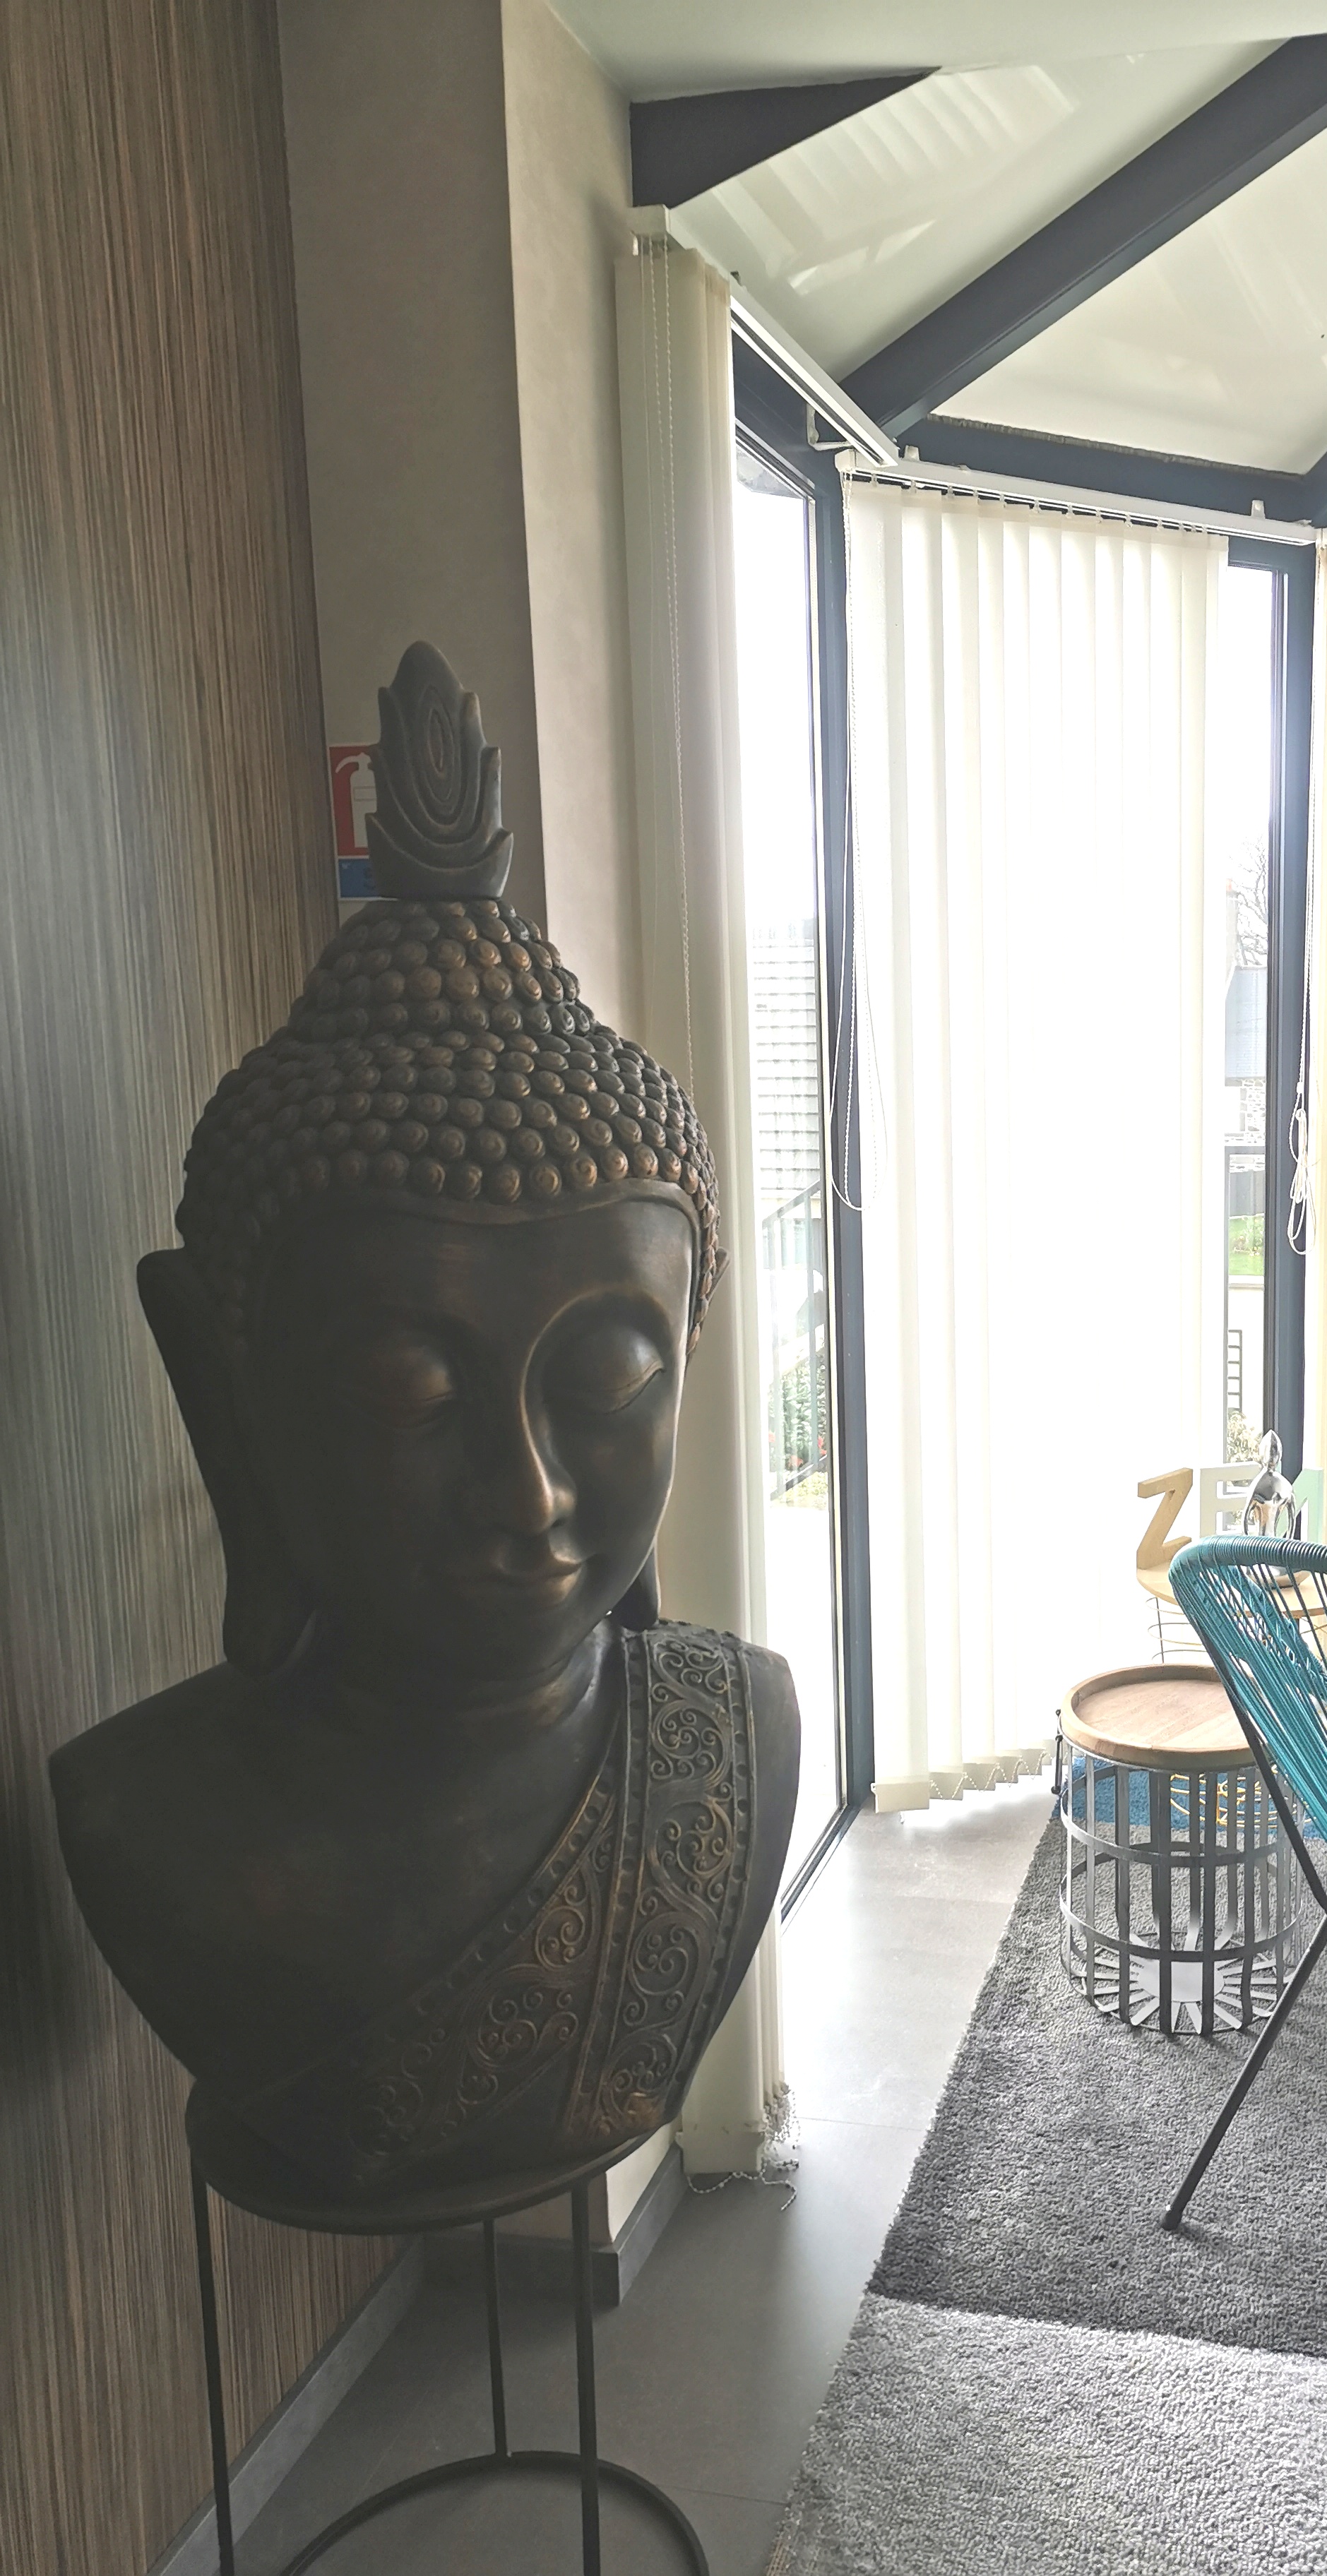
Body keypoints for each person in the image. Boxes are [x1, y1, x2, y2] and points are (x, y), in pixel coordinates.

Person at [52, 645, 797, 2217]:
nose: (526, 1494)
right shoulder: (145, 1820)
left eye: (607, 1380)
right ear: (223, 1391)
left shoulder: (736, 1740)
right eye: (408, 1393)